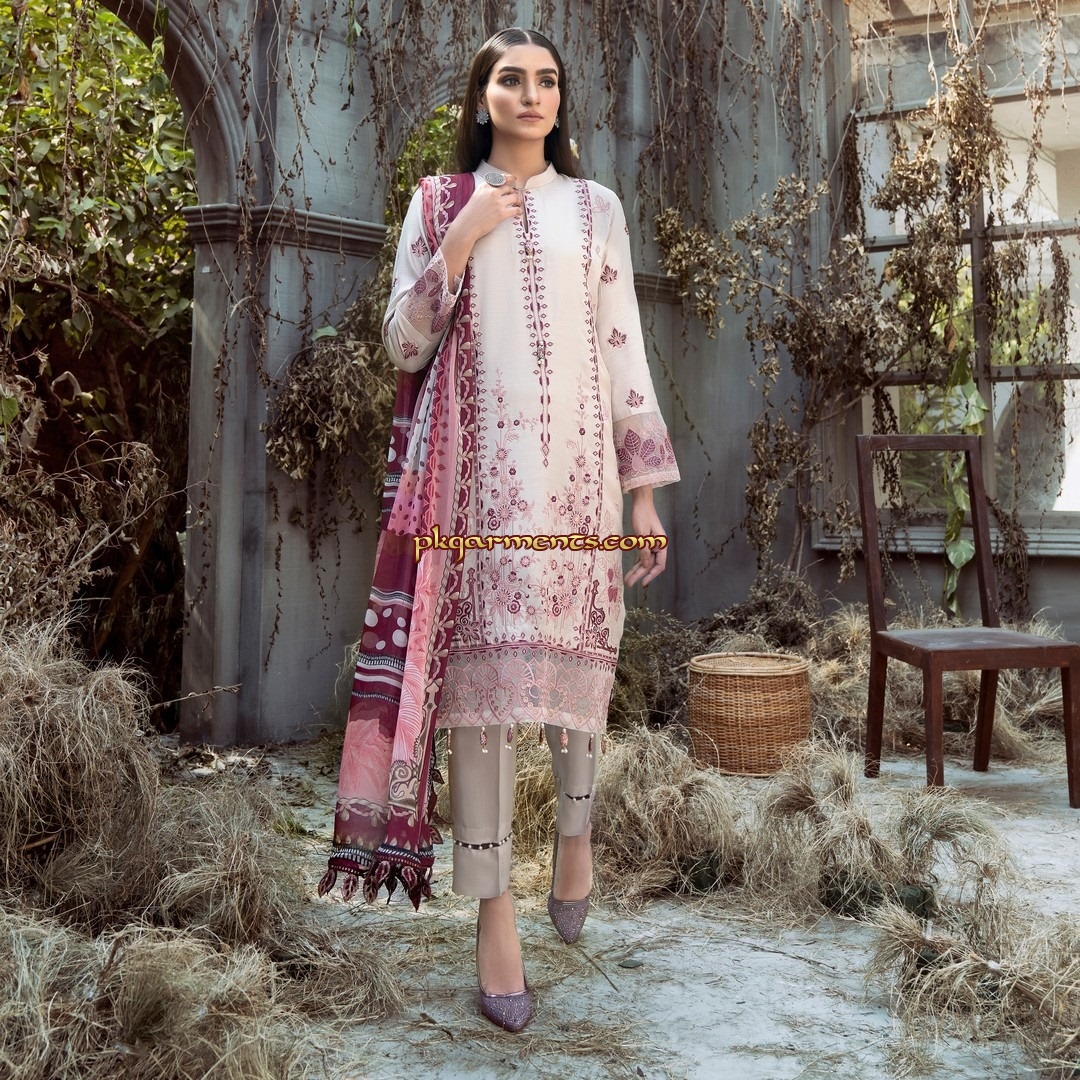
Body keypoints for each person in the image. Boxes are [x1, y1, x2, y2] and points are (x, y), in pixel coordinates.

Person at [320, 27, 679, 1033]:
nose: (531, 94)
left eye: (547, 80)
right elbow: (402, 342)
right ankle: (494, 916)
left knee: (579, 673)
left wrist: (643, 491)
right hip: (473, 498)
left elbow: (623, 349)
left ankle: (575, 837)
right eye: (511, 79)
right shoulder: (441, 203)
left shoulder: (596, 209)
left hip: (577, 485)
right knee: (479, 709)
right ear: (482, 97)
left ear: (560, 101)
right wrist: (465, 235)